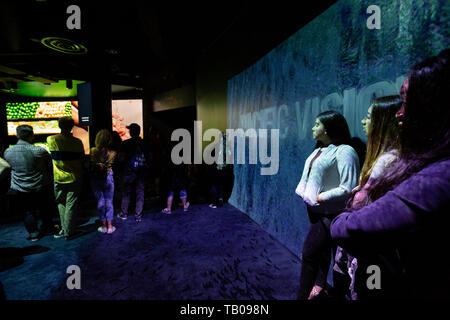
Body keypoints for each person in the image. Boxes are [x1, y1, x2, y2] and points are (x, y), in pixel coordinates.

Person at [330, 49, 450, 299]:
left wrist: (351, 205)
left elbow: (352, 226)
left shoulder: (435, 176)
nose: (400, 112)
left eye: (408, 101)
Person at [332, 95, 402, 300]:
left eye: (369, 117)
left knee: (368, 292)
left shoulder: (388, 159)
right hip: (371, 246)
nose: (364, 121)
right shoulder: (387, 156)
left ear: (384, 122)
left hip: (373, 249)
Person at [295, 110, 360, 300]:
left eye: (317, 124)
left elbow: (348, 187)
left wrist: (321, 197)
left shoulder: (345, 151)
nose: (313, 128)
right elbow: (308, 175)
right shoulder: (319, 149)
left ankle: (305, 295)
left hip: (331, 214)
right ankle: (320, 285)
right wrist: (302, 191)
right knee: (322, 254)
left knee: (312, 254)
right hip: (315, 210)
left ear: (328, 128)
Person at [4, 125, 56, 241]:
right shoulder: (39, 151)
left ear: (17, 135)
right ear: (32, 135)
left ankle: (33, 234)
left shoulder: (8, 152)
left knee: (28, 211)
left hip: (20, 188)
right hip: (40, 186)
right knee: (45, 208)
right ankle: (48, 228)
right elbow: (50, 165)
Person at [47, 117, 85, 239]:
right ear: (72, 127)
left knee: (60, 203)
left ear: (59, 125)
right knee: (71, 204)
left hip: (58, 178)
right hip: (75, 177)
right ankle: (69, 231)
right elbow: (82, 159)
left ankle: (64, 230)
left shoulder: (51, 139)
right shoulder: (78, 142)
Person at [117, 123, 151, 222]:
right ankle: (138, 215)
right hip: (142, 171)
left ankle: (124, 214)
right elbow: (149, 157)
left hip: (129, 171)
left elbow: (121, 158)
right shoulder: (145, 143)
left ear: (132, 132)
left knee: (126, 193)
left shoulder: (126, 143)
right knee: (140, 193)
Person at [90, 130, 117, 234]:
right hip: (109, 177)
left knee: (100, 202)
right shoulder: (113, 153)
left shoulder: (93, 151)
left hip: (96, 178)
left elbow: (91, 163)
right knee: (109, 201)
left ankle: (103, 226)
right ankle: (110, 226)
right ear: (109, 140)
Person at [209, 132, 233, 208]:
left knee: (215, 185)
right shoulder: (228, 146)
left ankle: (214, 203)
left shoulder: (216, 145)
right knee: (221, 185)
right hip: (226, 170)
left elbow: (212, 155)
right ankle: (220, 199)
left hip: (217, 168)